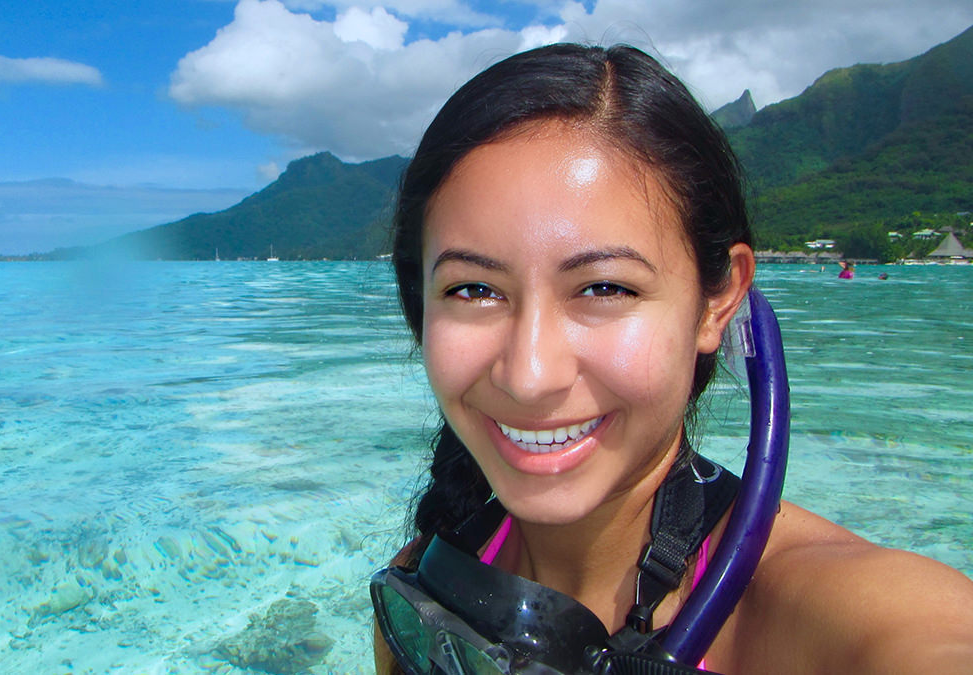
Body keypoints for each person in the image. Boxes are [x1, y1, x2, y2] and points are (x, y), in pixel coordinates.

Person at [374, 43, 973, 674]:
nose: (529, 377)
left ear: (719, 301)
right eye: (474, 289)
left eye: (606, 287)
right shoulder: (420, 599)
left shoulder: (811, 608)